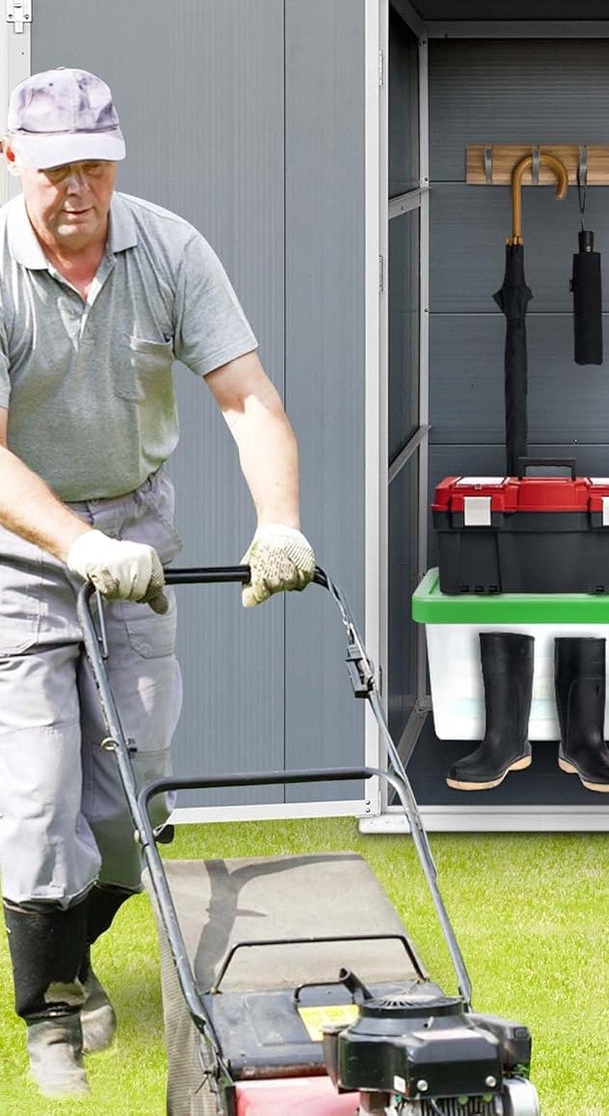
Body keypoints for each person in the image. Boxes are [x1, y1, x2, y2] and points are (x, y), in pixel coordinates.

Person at [0, 67, 315, 1098]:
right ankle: (49, 1012)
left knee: (140, 786)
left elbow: (248, 397)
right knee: (39, 785)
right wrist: (72, 544)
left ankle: (70, 947)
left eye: (94, 161)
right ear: (15, 161)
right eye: (55, 168)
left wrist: (278, 521)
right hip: (21, 553)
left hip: (141, 534)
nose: (78, 186)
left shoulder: (168, 247)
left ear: (117, 155)